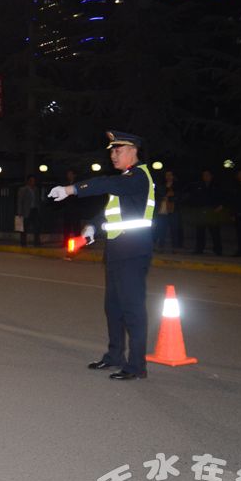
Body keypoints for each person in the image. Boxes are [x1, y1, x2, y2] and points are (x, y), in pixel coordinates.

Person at [48, 131, 155, 380]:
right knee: (114, 309)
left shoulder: (139, 177)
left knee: (132, 311)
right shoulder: (126, 179)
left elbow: (105, 184)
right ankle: (114, 356)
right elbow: (111, 211)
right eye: (112, 151)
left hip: (133, 253)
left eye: (118, 150)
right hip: (117, 251)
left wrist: (72, 189)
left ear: (133, 151)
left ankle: (136, 366)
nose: (113, 155)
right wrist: (92, 228)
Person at [190, 170, 223, 256]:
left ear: (211, 176)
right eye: (204, 175)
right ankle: (199, 249)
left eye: (207, 175)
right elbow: (195, 197)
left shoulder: (216, 185)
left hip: (212, 210)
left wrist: (220, 205)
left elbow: (222, 196)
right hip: (201, 211)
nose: (205, 177)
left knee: (215, 231)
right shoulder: (199, 186)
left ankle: (218, 250)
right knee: (200, 231)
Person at [152, 170, 183, 252]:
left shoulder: (177, 186)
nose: (168, 177)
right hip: (162, 210)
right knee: (161, 229)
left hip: (173, 210)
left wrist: (169, 198)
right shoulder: (161, 185)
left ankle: (175, 248)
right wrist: (164, 197)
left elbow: (179, 197)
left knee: (174, 229)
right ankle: (161, 247)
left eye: (170, 175)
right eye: (167, 175)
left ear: (173, 176)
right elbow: (157, 195)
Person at [16, 175, 41, 247]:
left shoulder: (36, 189)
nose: (33, 182)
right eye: (31, 181)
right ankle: (23, 243)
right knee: (24, 228)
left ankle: (36, 242)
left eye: (34, 181)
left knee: (37, 226)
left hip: (34, 209)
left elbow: (37, 200)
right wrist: (19, 212)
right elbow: (20, 201)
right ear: (28, 181)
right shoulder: (23, 189)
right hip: (26, 210)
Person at [61, 168, 82, 246]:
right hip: (67, 208)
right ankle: (65, 242)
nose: (69, 176)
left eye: (70, 174)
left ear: (74, 175)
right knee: (66, 226)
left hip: (75, 208)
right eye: (68, 174)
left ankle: (78, 243)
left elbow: (79, 196)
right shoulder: (65, 184)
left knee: (76, 226)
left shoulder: (77, 184)